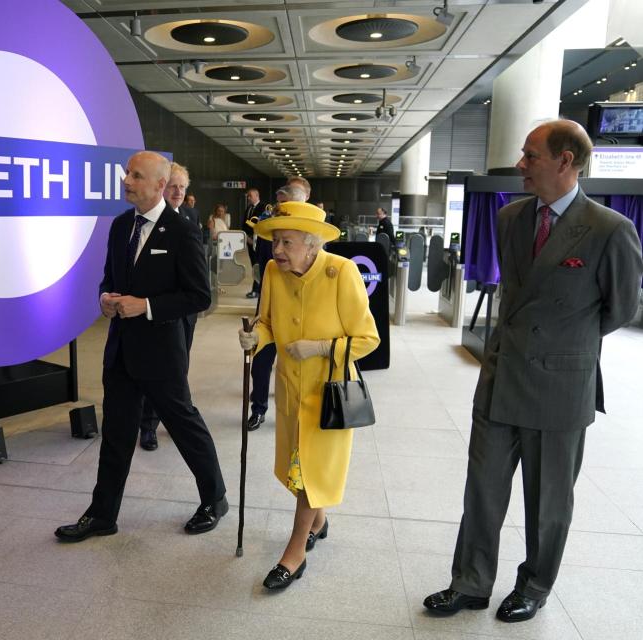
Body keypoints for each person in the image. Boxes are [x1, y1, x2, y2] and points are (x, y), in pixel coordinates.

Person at [424, 120, 643, 622]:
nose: (520, 165)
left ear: (566, 161)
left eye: (531, 156)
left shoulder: (611, 229)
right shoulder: (510, 217)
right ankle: (470, 582)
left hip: (560, 387)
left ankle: (535, 585)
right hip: (501, 377)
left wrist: (566, 348)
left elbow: (621, 309)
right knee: (482, 491)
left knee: (547, 504)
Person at [55, 151, 228, 543]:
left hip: (162, 355)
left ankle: (214, 499)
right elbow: (108, 278)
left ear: (158, 185)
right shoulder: (119, 227)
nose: (126, 181)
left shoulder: (182, 231)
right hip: (120, 352)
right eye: (127, 173)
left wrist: (146, 306)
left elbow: (200, 296)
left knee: (185, 428)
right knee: (116, 434)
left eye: (136, 175)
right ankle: (102, 515)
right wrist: (104, 299)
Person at [238, 201, 380, 590]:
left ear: (312, 245)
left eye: (286, 242)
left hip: (328, 395)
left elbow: (368, 340)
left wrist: (319, 347)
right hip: (289, 388)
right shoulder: (271, 271)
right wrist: (256, 337)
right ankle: (319, 522)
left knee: (310, 474)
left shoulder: (341, 273)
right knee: (295, 470)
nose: (276, 251)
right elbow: (266, 321)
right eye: (274, 242)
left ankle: (294, 551)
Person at [138, 162, 199, 451]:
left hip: (185, 314)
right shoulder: (148, 221)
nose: (178, 192)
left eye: (182, 187)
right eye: (173, 186)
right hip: (156, 313)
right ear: (162, 186)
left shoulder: (189, 217)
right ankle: (147, 426)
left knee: (179, 370)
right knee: (157, 371)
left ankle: (173, 420)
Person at [246, 183, 306, 432]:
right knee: (261, 361)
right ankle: (258, 409)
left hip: (303, 313)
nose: (278, 211)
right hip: (270, 307)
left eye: (284, 205)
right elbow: (263, 258)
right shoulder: (271, 230)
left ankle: (300, 412)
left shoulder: (310, 236)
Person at [243, 188, 267, 298]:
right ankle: (256, 289)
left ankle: (257, 290)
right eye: (248, 196)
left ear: (257, 196)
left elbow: (262, 224)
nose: (248, 198)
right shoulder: (248, 208)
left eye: (250, 196)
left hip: (258, 241)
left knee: (258, 265)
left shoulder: (263, 207)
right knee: (253, 265)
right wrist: (246, 237)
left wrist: (254, 238)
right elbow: (244, 223)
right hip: (249, 241)